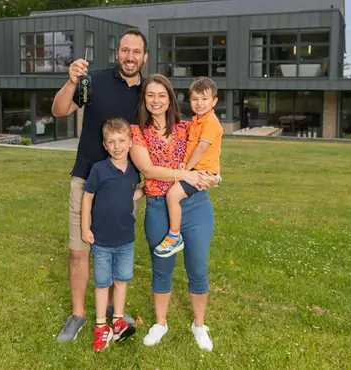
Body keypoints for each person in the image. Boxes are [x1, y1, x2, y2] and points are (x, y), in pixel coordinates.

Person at [51, 28, 148, 343]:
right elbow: (59, 110)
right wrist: (71, 81)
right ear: (117, 52)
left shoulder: (148, 93)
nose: (130, 56)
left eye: (136, 51)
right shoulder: (94, 80)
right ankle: (79, 315)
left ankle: (114, 314)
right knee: (79, 251)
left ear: (144, 57)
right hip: (87, 181)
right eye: (125, 50)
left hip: (124, 187)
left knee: (116, 249)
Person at [129, 74, 221, 351]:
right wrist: (186, 174)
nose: (156, 101)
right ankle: (160, 323)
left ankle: (199, 325)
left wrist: (215, 178)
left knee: (198, 269)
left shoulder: (187, 127)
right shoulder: (137, 132)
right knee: (161, 269)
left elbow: (210, 154)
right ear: (144, 99)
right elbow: (148, 170)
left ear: (170, 99)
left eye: (162, 95)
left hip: (195, 207)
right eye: (150, 95)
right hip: (158, 206)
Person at [81, 118, 144, 352]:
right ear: (105, 146)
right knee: (102, 283)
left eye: (121, 141)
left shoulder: (133, 171)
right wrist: (84, 228)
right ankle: (101, 327)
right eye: (111, 142)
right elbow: (88, 196)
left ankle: (118, 320)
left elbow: (130, 195)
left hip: (125, 239)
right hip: (101, 240)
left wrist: (146, 190)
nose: (117, 146)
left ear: (130, 142)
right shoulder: (99, 169)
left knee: (121, 280)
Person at [154, 77, 223, 258]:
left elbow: (202, 148)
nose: (199, 103)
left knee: (173, 195)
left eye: (204, 99)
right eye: (194, 99)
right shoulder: (195, 122)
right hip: (196, 169)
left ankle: (174, 236)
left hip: (201, 172)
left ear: (214, 101)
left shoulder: (210, 122)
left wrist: (187, 169)